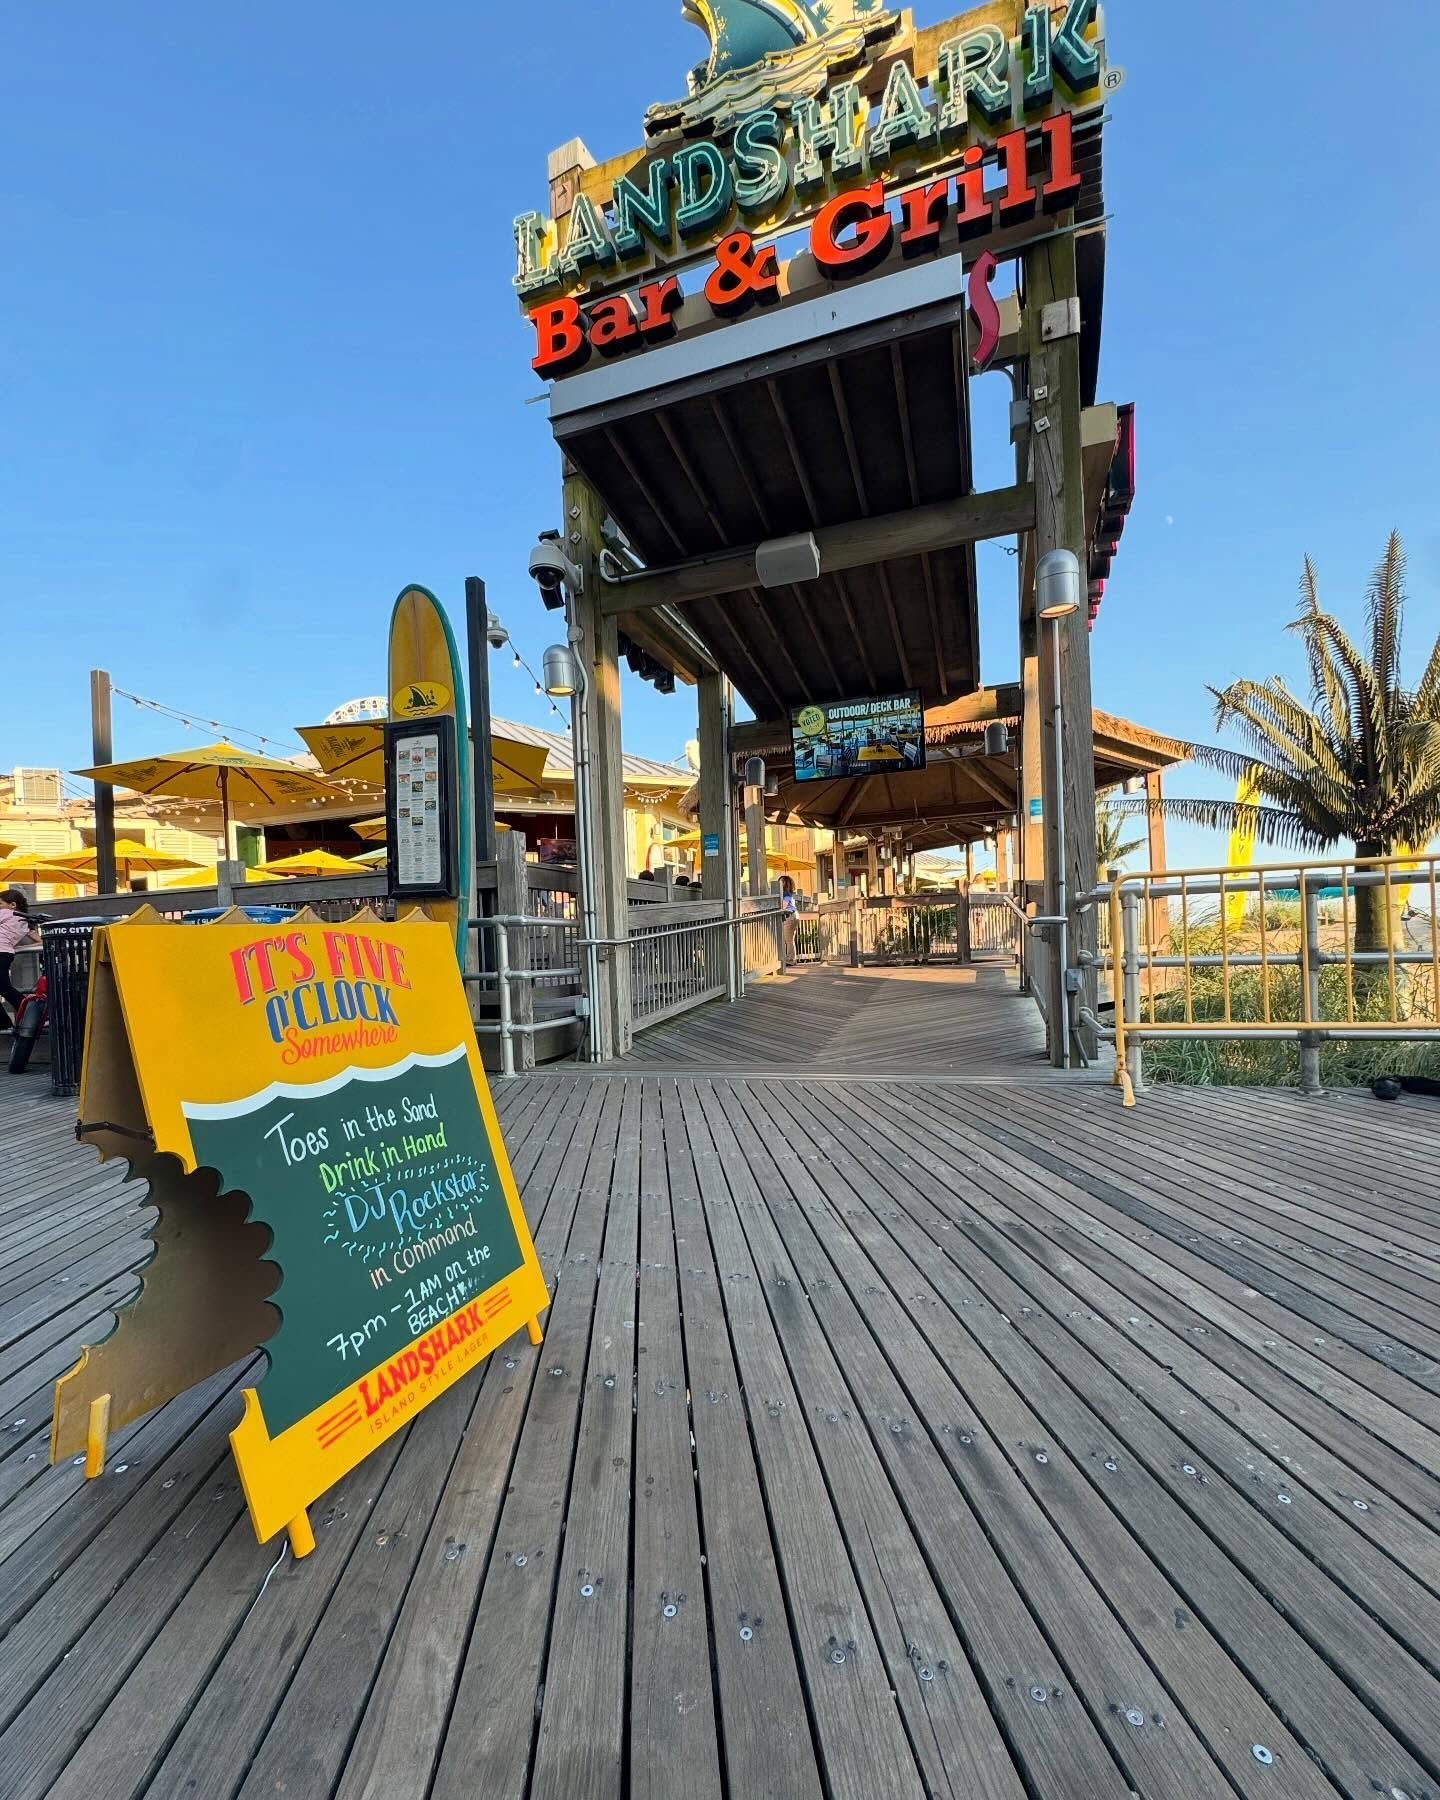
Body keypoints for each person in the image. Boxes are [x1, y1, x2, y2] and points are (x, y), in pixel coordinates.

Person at [0, 889, 39, 1033]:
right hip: (6, 954)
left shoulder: (6, 913)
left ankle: (31, 1010)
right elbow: (39, 939)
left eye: (0, 903)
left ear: (12, 905)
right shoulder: (26, 922)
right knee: (4, 988)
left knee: (5, 988)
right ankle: (7, 1021)